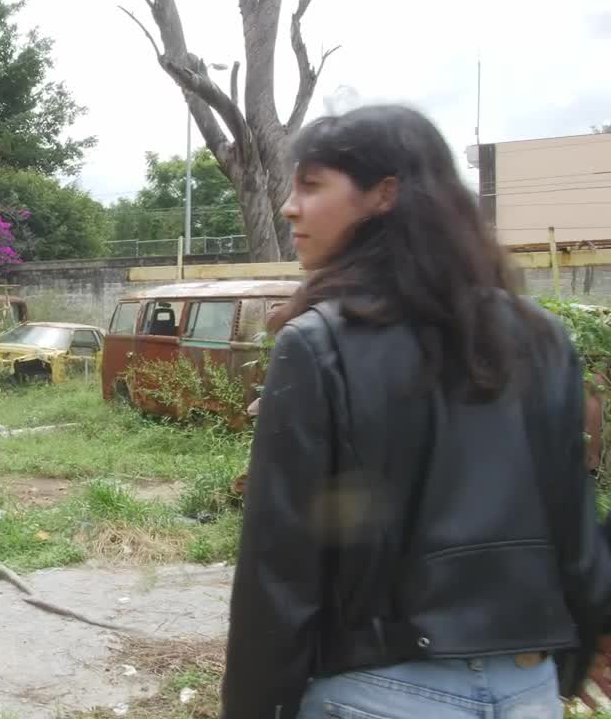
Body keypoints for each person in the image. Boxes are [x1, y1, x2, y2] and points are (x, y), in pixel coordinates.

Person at [220, 104, 611, 718]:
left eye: (312, 184)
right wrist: (585, 643)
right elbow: (574, 527)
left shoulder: (320, 343)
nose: (289, 207)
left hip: (378, 691)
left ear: (385, 195)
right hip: (526, 688)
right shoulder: (541, 337)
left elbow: (280, 566)